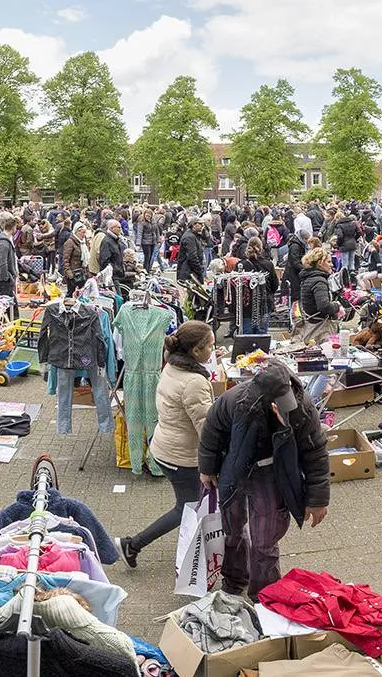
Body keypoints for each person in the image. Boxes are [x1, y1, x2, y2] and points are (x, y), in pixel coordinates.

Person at [198, 359, 330, 597]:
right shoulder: (233, 400)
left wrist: (318, 499)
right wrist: (207, 469)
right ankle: (234, 579)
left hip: (271, 472)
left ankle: (264, 595)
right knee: (231, 529)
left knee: (265, 541)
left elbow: (315, 451)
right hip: (234, 468)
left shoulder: (302, 408)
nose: (284, 408)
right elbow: (211, 433)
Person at [117, 321, 219, 568]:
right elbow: (206, 429)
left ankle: (197, 550)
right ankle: (133, 544)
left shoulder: (173, 365)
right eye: (210, 346)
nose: (213, 351)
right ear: (195, 351)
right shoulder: (194, 381)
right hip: (181, 456)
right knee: (187, 506)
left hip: (165, 446)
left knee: (191, 505)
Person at [292, 248, 343, 347]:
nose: (331, 264)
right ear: (320, 263)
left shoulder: (308, 278)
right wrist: (337, 306)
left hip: (311, 325)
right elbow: (324, 306)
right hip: (321, 329)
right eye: (328, 262)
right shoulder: (319, 281)